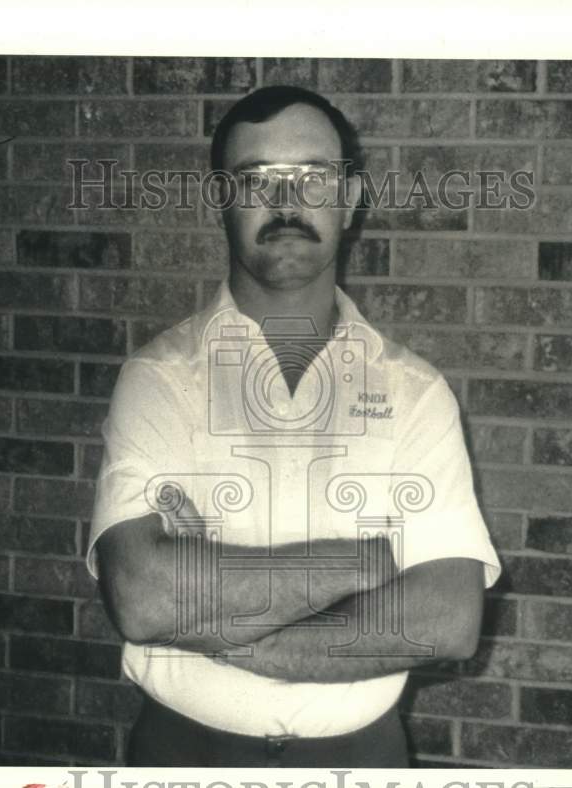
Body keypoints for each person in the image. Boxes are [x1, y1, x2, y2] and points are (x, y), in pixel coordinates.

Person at [85, 85, 502, 768]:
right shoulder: (158, 377)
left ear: (349, 196)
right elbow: (140, 596)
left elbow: (448, 619)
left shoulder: (415, 392)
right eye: (256, 180)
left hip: (362, 761)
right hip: (184, 758)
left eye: (313, 177)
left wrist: (233, 632)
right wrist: (366, 561)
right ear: (221, 198)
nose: (286, 204)